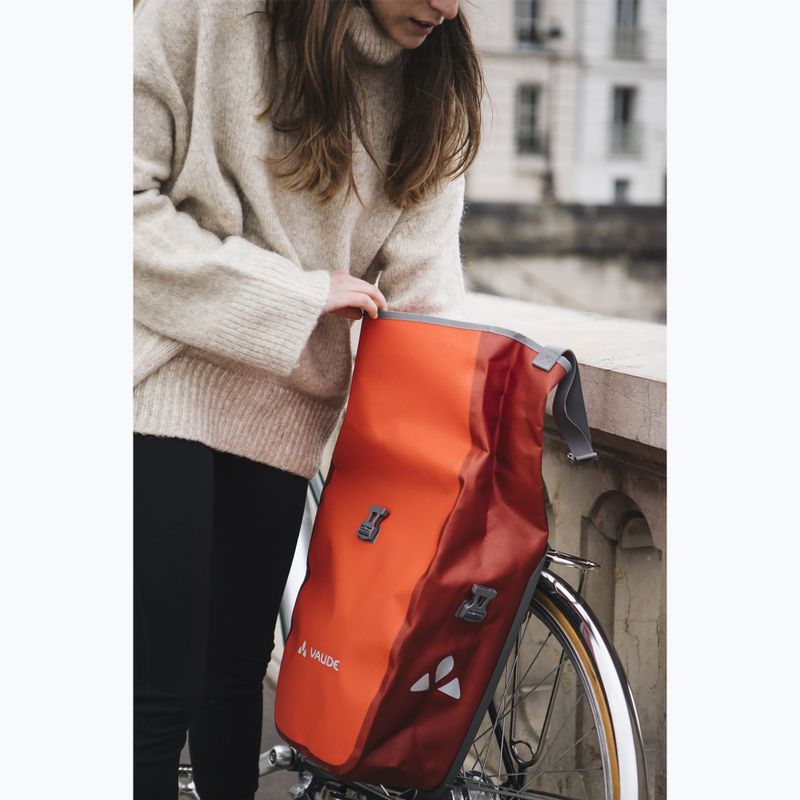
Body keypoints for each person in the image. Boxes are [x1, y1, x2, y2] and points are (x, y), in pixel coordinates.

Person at [133, 0, 483, 797]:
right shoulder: (207, 16)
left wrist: (469, 439)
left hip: (285, 412)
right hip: (159, 379)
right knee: (158, 690)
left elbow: (425, 294)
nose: (447, 5)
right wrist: (290, 296)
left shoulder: (438, 81)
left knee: (233, 677)